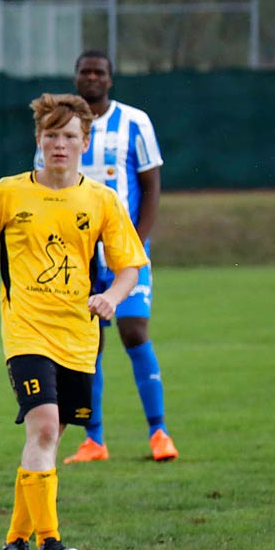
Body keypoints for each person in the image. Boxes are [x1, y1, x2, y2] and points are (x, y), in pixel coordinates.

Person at [0, 94, 147, 550]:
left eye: (70, 136)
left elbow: (130, 266)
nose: (60, 145)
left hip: (80, 337)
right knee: (44, 426)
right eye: (52, 135)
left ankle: (14, 539)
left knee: (47, 438)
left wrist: (113, 296)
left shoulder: (102, 200)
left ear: (85, 142)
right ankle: (50, 542)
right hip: (26, 333)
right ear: (39, 140)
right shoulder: (8, 192)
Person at [50, 51, 178, 464]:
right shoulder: (59, 125)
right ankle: (94, 439)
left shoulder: (135, 122)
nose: (91, 77)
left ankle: (159, 432)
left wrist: (137, 244)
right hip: (79, 256)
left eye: (99, 72)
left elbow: (151, 185)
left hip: (124, 252)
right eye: (85, 71)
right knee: (90, 345)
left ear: (110, 79)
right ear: (75, 77)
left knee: (135, 331)